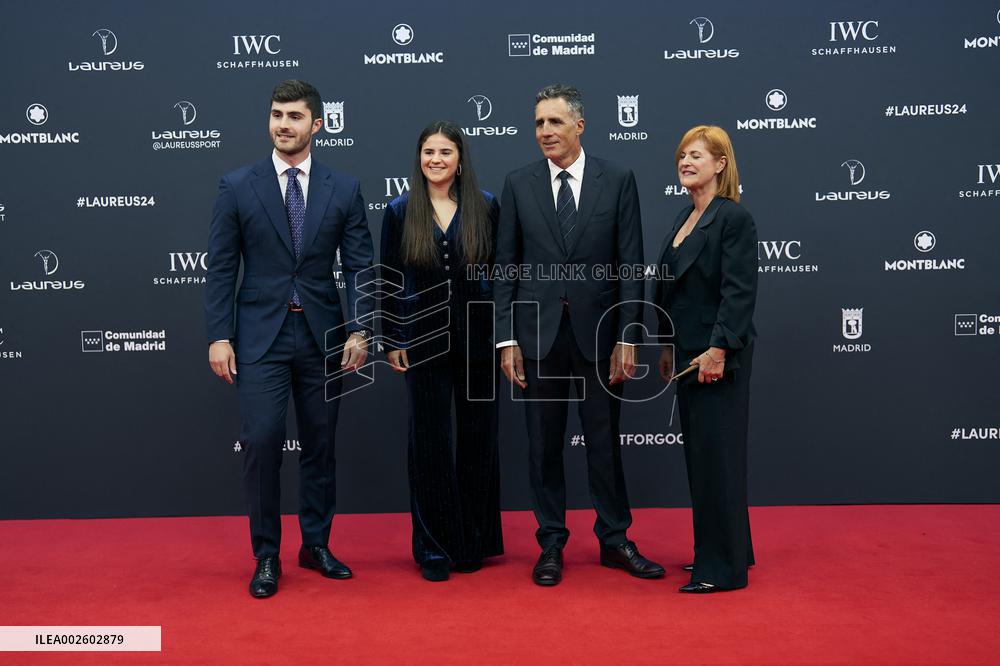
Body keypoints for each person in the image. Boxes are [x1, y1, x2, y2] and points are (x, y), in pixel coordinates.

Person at [204, 79, 375, 598]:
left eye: (295, 116)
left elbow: (362, 268)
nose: (284, 124)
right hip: (259, 340)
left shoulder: (343, 188)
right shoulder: (237, 185)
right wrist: (218, 335)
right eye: (277, 114)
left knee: (321, 446)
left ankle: (316, 544)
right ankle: (266, 553)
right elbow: (220, 269)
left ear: (316, 124)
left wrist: (361, 327)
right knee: (261, 443)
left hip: (324, 336)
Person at [493, 84, 664, 586]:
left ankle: (615, 539)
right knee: (542, 445)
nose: (545, 131)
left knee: (605, 443)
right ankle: (550, 543)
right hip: (537, 337)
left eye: (554, 122)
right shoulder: (518, 183)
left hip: (602, 336)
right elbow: (505, 266)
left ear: (580, 126)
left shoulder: (618, 180)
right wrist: (506, 339)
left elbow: (630, 262)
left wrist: (629, 334)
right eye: (539, 123)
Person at [379, 121, 503, 582]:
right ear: (418, 158)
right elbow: (388, 279)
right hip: (423, 341)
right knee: (429, 442)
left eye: (445, 152)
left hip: (479, 339)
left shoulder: (486, 206)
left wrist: (503, 335)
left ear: (460, 159)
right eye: (428, 151)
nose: (435, 159)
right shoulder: (398, 211)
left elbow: (501, 274)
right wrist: (393, 339)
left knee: (478, 438)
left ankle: (473, 541)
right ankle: (433, 546)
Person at [653, 125, 758, 593]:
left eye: (696, 155)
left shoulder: (732, 218)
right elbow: (673, 291)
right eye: (682, 156)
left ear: (721, 163)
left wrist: (718, 348)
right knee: (703, 459)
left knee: (718, 459)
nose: (686, 162)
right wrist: (665, 346)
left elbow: (738, 293)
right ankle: (723, 552)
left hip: (718, 358)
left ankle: (723, 570)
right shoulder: (684, 217)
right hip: (687, 356)